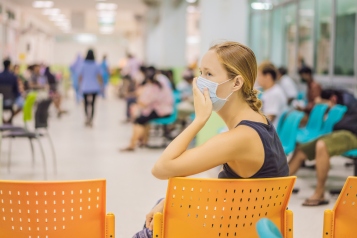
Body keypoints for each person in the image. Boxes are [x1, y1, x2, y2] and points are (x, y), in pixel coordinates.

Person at [132, 42, 289, 238]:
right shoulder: (259, 122)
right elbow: (230, 189)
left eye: (209, 74)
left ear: (236, 83)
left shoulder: (239, 138)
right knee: (162, 203)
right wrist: (170, 200)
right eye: (200, 72)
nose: (199, 81)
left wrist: (199, 120)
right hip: (246, 224)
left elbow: (161, 169)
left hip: (234, 230)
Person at [288, 89, 357, 206]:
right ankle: (276, 187)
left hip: (352, 135)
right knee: (301, 150)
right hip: (339, 132)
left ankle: (319, 194)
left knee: (321, 145)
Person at [121, 66, 173, 151]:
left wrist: (137, 102)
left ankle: (132, 145)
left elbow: (145, 103)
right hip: (162, 109)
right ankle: (143, 141)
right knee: (143, 118)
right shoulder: (159, 85)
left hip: (162, 111)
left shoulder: (154, 88)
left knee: (138, 120)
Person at [257, 61, 288, 128]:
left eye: (259, 75)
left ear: (268, 76)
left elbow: (268, 120)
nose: (258, 79)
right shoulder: (269, 91)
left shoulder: (274, 94)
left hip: (269, 133)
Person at [79, 49, 103, 127]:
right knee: (93, 105)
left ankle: (87, 118)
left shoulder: (83, 64)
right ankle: (91, 120)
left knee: (86, 104)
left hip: (85, 86)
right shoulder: (96, 64)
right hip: (94, 87)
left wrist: (79, 85)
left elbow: (80, 76)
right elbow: (99, 76)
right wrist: (101, 86)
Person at [0, 59, 24, 123]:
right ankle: (8, 120)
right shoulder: (13, 77)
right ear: (9, 66)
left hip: (1, 100)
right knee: (23, 105)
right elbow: (16, 91)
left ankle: (4, 120)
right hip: (11, 100)